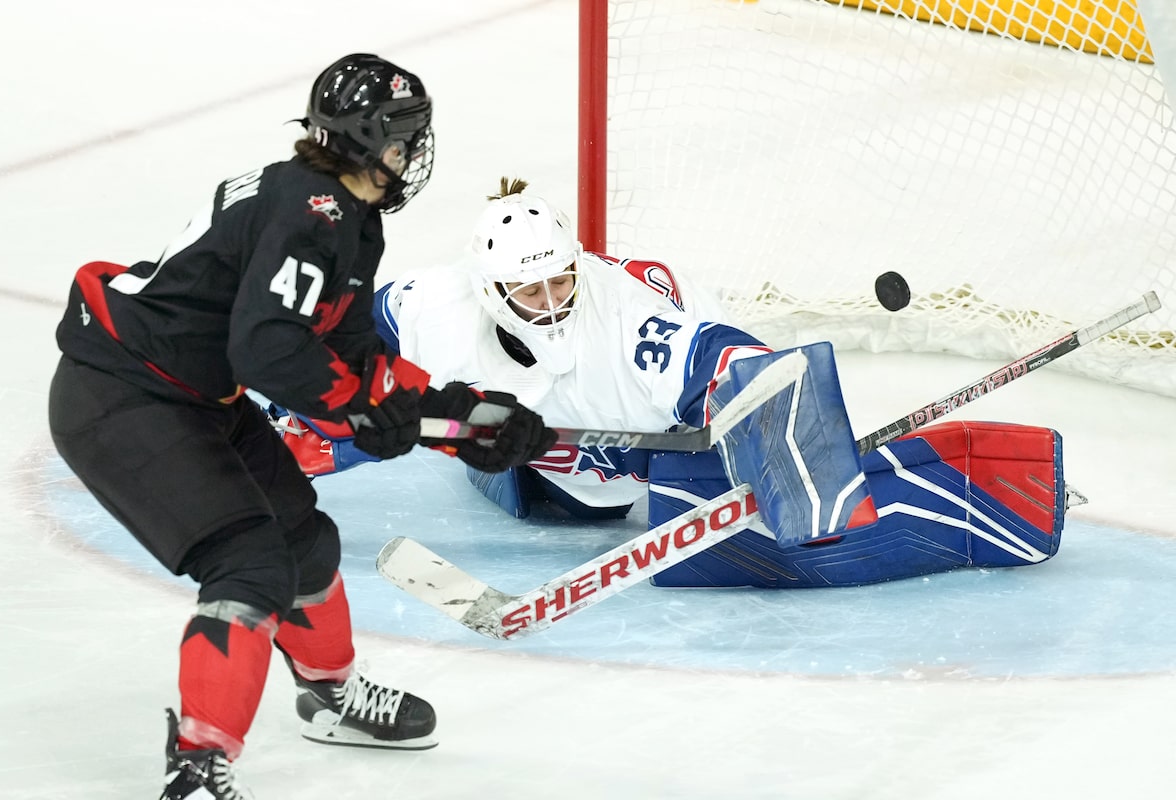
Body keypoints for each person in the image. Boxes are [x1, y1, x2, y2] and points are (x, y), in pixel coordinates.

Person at [48, 58, 555, 799]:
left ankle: (328, 695)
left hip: (194, 395)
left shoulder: (341, 213)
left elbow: (347, 354)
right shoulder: (311, 213)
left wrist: (465, 419)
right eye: (402, 138)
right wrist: (358, 413)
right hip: (122, 398)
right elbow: (270, 348)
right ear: (366, 139)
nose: (412, 153)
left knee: (301, 541)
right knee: (249, 564)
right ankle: (195, 770)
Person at [274, 177, 1068, 596]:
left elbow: (720, 357)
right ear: (491, 292)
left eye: (562, 283)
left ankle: (989, 492)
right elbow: (357, 333)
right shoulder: (443, 307)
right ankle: (263, 457)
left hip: (651, 443)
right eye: (532, 292)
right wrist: (294, 411)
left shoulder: (623, 318)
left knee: (756, 538)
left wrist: (769, 420)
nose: (552, 302)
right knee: (373, 423)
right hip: (527, 464)